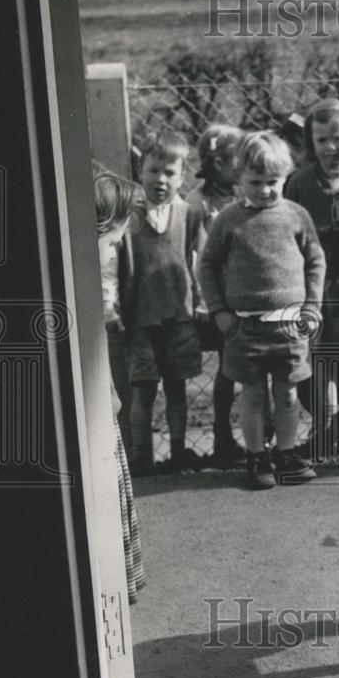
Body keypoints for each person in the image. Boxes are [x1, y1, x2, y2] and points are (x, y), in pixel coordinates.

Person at [94, 166, 205, 678]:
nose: (118, 245)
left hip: (101, 439)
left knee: (109, 583)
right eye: (112, 236)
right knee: (101, 586)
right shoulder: (81, 286)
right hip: (91, 453)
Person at [198, 131, 326, 489]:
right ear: (239, 179)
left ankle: (286, 454)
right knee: (252, 395)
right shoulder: (228, 220)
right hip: (246, 328)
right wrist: (219, 311)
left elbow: (316, 260)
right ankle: (257, 457)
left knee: (287, 394)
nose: (265, 190)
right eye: (256, 182)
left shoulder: (296, 216)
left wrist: (312, 307)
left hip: (290, 327)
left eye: (273, 182)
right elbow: (207, 265)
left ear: (284, 178)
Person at [285, 98, 339, 457]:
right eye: (322, 141)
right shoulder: (300, 183)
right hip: (315, 287)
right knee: (320, 357)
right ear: (311, 143)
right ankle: (327, 423)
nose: (332, 148)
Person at [119, 130, 203, 476]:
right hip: (141, 318)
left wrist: (198, 303)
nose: (161, 180)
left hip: (178, 316)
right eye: (154, 170)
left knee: (177, 387)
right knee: (143, 391)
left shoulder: (187, 214)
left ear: (182, 176)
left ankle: (179, 452)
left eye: (170, 173)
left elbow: (194, 260)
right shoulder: (129, 216)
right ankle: (143, 456)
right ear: (141, 171)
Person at [185, 124, 250, 466]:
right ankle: (223, 435)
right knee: (226, 368)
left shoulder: (245, 196)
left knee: (251, 366)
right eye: (233, 161)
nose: (240, 168)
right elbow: (193, 255)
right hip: (215, 297)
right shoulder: (197, 204)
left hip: (244, 292)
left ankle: (259, 434)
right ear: (216, 162)